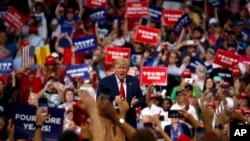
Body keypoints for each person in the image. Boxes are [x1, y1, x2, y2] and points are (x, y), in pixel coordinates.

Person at [97, 57, 144, 128]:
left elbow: (141, 98)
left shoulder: (134, 81)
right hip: (112, 120)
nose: (121, 70)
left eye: (124, 68)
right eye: (119, 68)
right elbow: (100, 101)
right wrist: (114, 102)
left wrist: (136, 101)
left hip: (130, 120)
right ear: (114, 69)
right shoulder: (105, 82)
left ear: (128, 69)